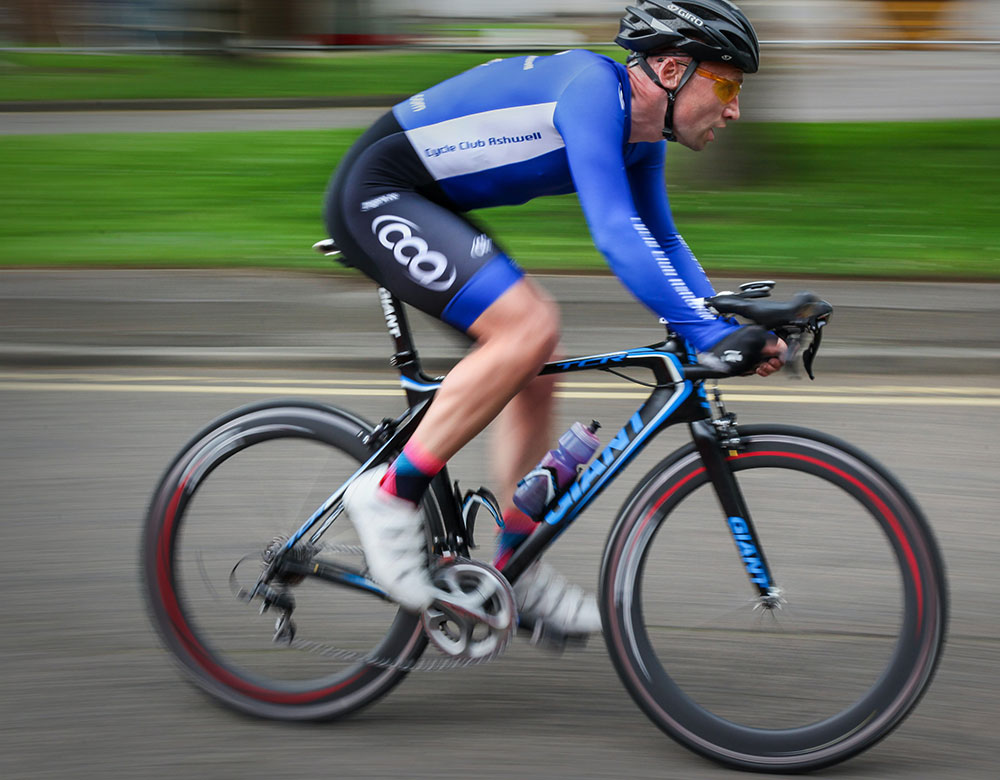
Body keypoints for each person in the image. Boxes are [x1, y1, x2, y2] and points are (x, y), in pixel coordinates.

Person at [323, 0, 785, 640]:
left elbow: (665, 243)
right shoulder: (595, 92)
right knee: (528, 326)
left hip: (429, 204)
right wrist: (709, 332)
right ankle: (389, 493)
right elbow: (617, 234)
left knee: (532, 369)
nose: (734, 109)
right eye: (728, 85)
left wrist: (722, 320)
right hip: (378, 194)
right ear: (674, 68)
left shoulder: (641, 138)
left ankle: (516, 565)